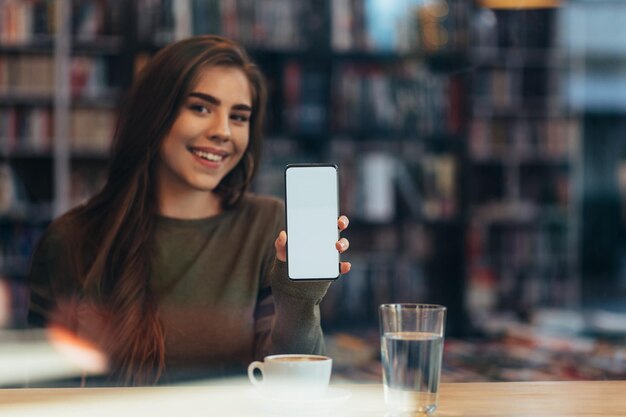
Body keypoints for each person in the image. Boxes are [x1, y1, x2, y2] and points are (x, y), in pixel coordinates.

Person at [27, 35, 351, 386]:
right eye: (200, 108)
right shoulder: (71, 238)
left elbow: (294, 385)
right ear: (155, 115)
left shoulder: (268, 225)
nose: (223, 132)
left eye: (239, 117)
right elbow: (44, 386)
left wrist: (299, 299)